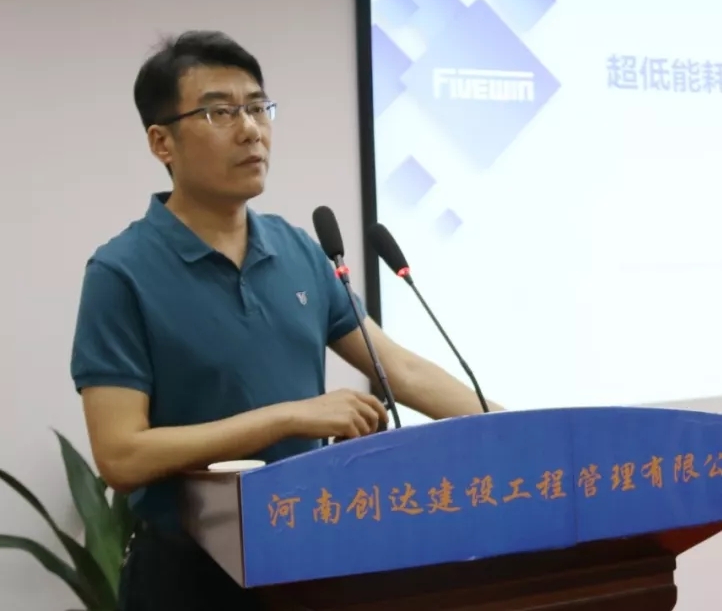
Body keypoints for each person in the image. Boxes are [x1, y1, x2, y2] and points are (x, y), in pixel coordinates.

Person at [70, 31, 501, 610]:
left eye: (257, 107)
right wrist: (287, 417)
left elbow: (399, 370)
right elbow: (122, 455)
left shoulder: (296, 250)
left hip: (306, 554)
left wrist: (522, 432)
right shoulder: (121, 272)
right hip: (191, 575)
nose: (250, 129)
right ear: (161, 141)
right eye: (220, 112)